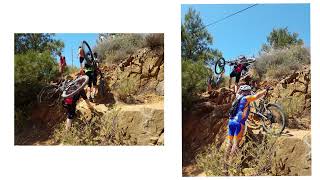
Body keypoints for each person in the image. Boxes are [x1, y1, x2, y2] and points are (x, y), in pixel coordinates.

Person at [224, 85, 269, 162]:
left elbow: (237, 92)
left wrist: (238, 88)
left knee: (230, 143)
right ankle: (230, 163)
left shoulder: (237, 97)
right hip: (239, 123)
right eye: (249, 91)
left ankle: (224, 162)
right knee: (235, 144)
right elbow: (256, 96)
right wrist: (265, 90)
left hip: (231, 122)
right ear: (247, 92)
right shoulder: (246, 98)